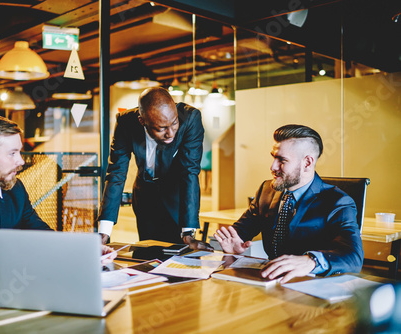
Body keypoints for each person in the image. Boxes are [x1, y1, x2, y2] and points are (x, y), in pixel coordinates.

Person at [0, 115, 115, 284]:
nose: (21, 161)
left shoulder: (15, 189)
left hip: (10, 292)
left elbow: (41, 233)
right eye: (12, 153)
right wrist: (20, 266)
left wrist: (84, 250)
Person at [214, 124, 363, 283]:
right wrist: (234, 245)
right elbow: (242, 230)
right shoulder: (266, 190)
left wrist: (310, 261)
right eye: (273, 157)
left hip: (311, 286)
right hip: (270, 283)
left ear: (307, 163)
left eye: (282, 160)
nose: (273, 167)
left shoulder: (338, 202)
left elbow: (353, 256)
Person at [97, 87, 212, 250]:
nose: (170, 133)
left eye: (174, 123)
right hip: (145, 198)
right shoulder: (125, 123)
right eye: (161, 128)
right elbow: (116, 173)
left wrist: (188, 233)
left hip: (176, 198)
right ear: (142, 121)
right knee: (146, 254)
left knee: (178, 259)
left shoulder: (190, 118)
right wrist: (104, 232)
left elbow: (190, 172)